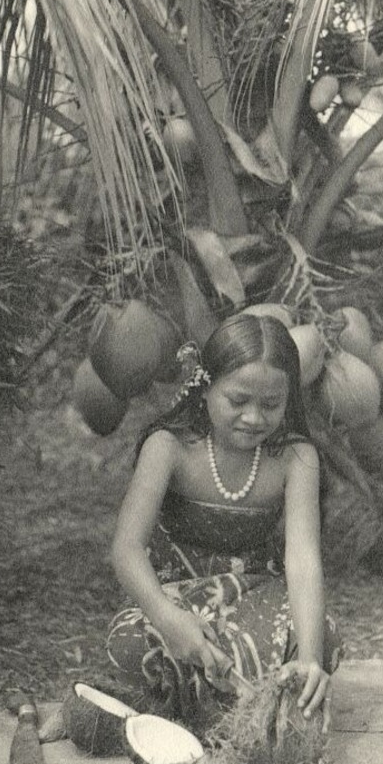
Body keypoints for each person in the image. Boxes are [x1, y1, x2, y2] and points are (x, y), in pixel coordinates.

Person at [105, 312, 342, 735]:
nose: (254, 417)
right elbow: (126, 548)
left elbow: (303, 560)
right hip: (179, 601)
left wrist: (308, 657)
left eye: (271, 405)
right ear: (205, 385)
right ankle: (240, 703)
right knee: (128, 643)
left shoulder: (296, 457)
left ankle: (208, 703)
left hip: (256, 597)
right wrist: (166, 617)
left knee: (322, 638)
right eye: (238, 400)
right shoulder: (168, 447)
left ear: (289, 399)